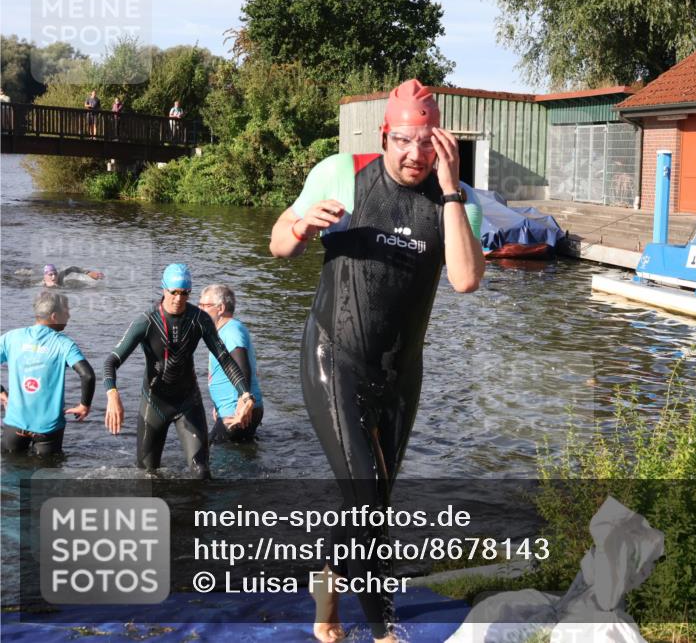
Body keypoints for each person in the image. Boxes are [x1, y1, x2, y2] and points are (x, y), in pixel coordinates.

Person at [269, 78, 484, 643]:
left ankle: (326, 591)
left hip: (399, 373)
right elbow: (277, 245)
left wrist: (453, 189)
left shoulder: (455, 201)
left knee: (372, 498)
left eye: (427, 143)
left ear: (442, 143)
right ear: (385, 135)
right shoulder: (340, 173)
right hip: (331, 357)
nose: (414, 155)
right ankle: (383, 629)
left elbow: (465, 279)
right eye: (404, 142)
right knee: (368, 500)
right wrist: (298, 225)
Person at [103, 264, 254, 478]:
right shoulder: (147, 321)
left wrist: (244, 394)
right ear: (164, 289)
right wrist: (112, 394)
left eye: (184, 293)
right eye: (173, 292)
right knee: (147, 475)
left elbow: (224, 358)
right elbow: (111, 361)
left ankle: (199, 511)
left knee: (202, 473)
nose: (178, 298)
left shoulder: (199, 319)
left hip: (188, 402)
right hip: (154, 403)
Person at [0, 291, 95, 456]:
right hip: (48, 428)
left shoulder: (11, 338)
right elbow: (87, 375)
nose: (69, 315)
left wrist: (1, 391)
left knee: (11, 474)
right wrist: (84, 405)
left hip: (15, 424)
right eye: (66, 311)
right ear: (54, 316)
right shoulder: (64, 344)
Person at [198, 284, 264, 443]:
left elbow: (242, 367)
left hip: (236, 412)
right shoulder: (226, 330)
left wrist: (242, 403)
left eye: (204, 306)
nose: (199, 311)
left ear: (220, 308)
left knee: (209, 457)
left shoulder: (231, 330)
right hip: (234, 409)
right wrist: (218, 405)